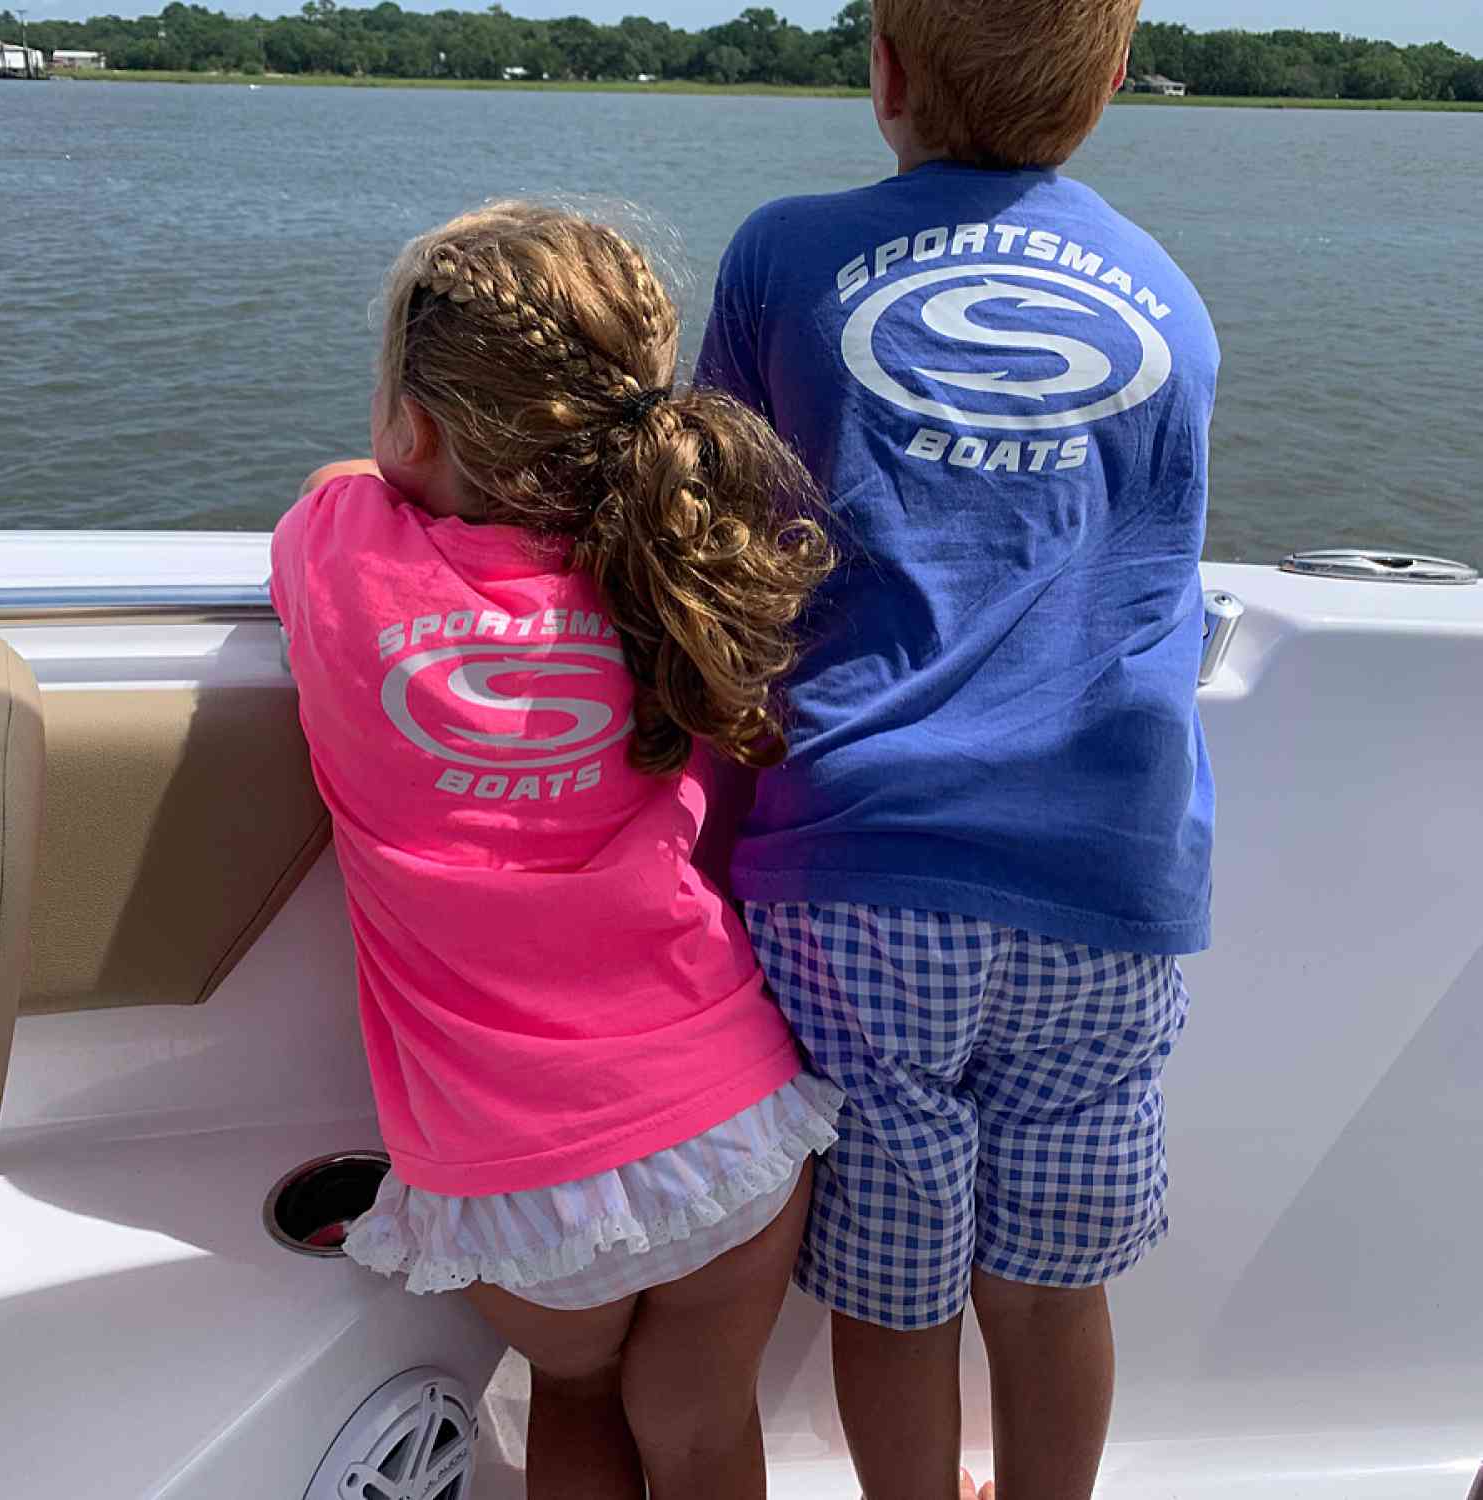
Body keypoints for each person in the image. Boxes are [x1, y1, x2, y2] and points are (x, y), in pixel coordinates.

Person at [695, 4, 1219, 1498]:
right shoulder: (1173, 299)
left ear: (887, 71)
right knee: (1054, 1288)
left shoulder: (782, 254)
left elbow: (706, 534)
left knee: (897, 1285)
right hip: (1106, 867)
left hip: (861, 866)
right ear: (1114, 80)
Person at [269, 202, 844, 1500]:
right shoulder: (675, 576)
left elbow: (328, 492)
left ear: (414, 424)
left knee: (574, 1402)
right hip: (722, 1127)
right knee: (700, 1429)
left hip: (517, 1185)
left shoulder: (344, 562)